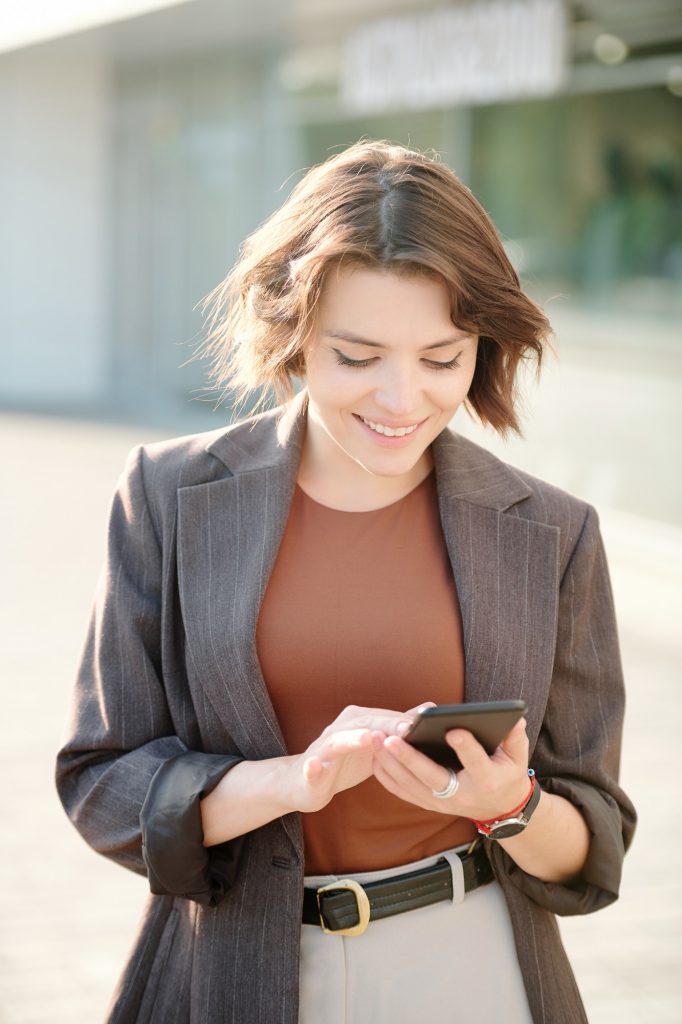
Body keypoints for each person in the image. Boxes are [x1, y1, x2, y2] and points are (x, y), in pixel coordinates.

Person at [55, 139, 636, 1024]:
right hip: (237, 973)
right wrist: (290, 781)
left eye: (442, 359)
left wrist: (508, 804)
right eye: (357, 357)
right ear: (290, 332)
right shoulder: (168, 497)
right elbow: (102, 780)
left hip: (473, 970)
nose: (402, 400)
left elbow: (592, 841)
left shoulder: (552, 532)